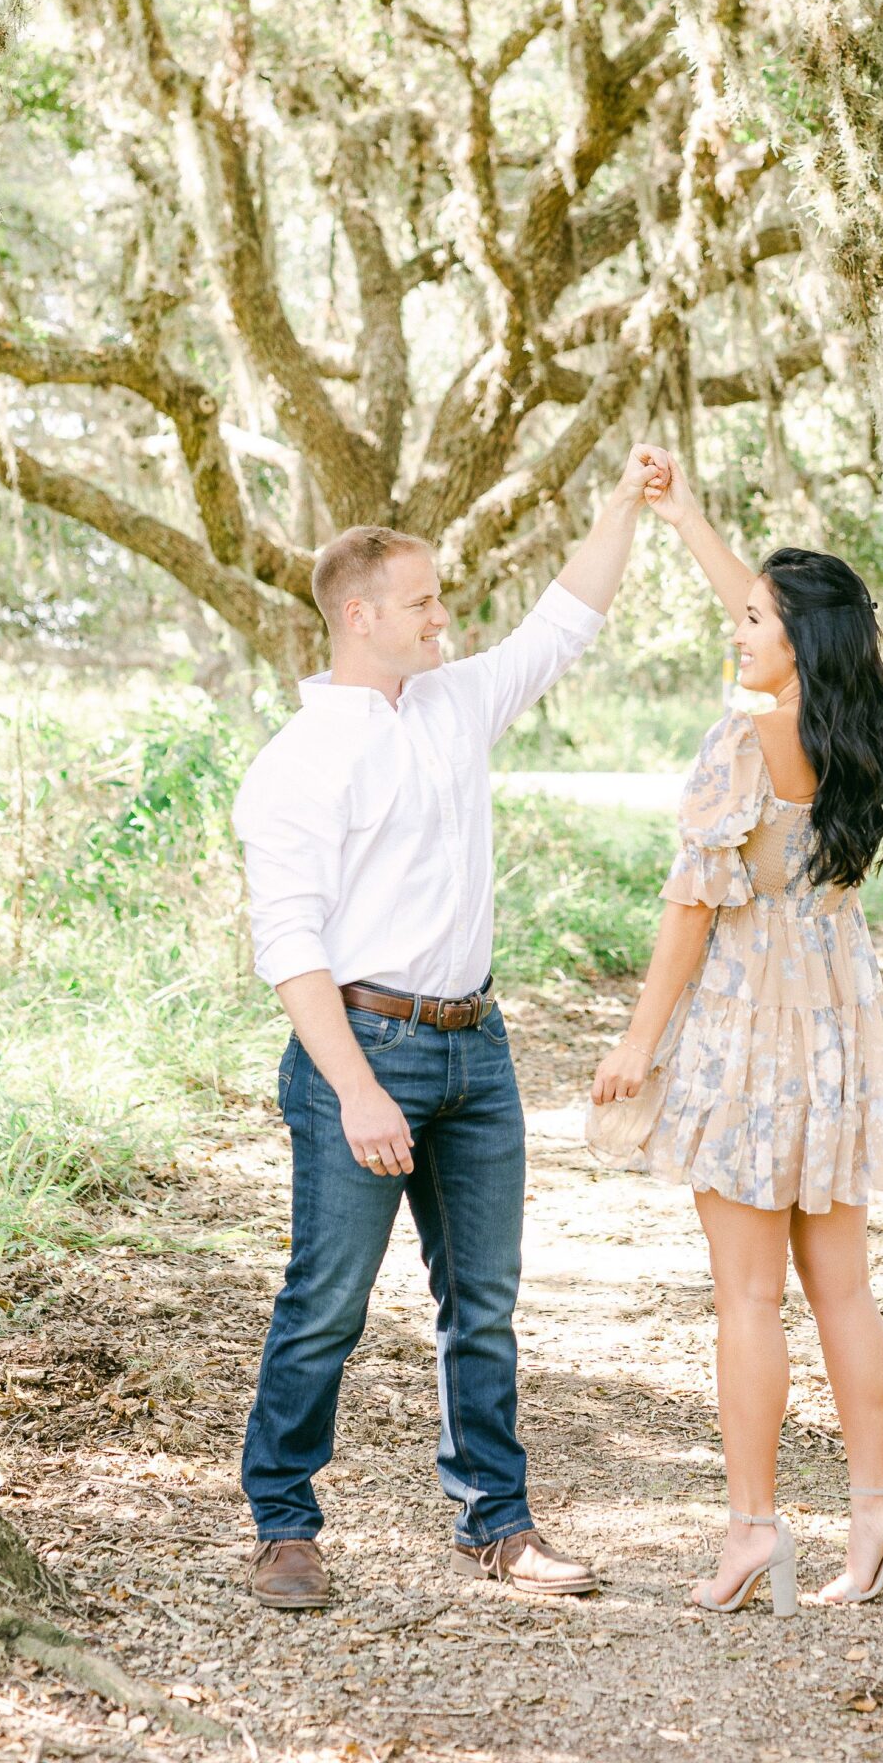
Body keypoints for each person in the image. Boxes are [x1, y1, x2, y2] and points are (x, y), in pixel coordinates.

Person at [233, 446, 666, 1609]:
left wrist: (620, 499)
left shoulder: (453, 700)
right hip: (360, 1053)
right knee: (325, 1297)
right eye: (424, 599)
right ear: (361, 614)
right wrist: (356, 1091)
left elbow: (563, 619)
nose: (445, 614)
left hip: (478, 1046)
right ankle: (282, 1521)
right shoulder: (295, 764)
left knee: (483, 1302)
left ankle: (497, 1521)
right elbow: (292, 948)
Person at [590, 453, 883, 1615]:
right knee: (842, 1289)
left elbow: (690, 909)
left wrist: (637, 1044)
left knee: (745, 1296)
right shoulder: (847, 725)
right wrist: (685, 518)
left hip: (747, 1035)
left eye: (751, 623)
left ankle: (751, 1533)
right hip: (832, 1034)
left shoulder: (744, 744)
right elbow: (769, 610)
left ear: (791, 641)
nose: (733, 629)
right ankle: (877, 1498)